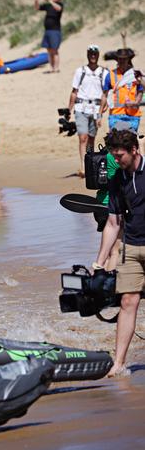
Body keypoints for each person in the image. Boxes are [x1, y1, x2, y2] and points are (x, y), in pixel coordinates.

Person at [94, 129, 145, 377]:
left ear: (134, 150)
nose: (117, 160)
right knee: (127, 301)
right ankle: (119, 363)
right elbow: (113, 223)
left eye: (120, 155)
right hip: (132, 247)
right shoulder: (118, 180)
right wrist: (100, 260)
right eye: (114, 156)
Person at [68, 45, 108, 177]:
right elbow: (74, 92)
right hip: (81, 108)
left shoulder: (103, 72)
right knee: (83, 137)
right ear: (87, 54)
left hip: (96, 109)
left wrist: (101, 113)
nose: (93, 55)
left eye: (95, 53)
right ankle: (84, 166)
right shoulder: (80, 71)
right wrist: (69, 109)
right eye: (90, 53)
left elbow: (105, 94)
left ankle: (90, 162)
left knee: (91, 138)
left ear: (98, 55)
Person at [101, 48, 142, 132]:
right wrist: (100, 111)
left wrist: (136, 102)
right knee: (116, 142)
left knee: (131, 143)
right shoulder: (111, 75)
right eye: (119, 59)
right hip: (116, 115)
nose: (122, 61)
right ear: (117, 60)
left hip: (133, 115)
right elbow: (104, 95)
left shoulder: (135, 74)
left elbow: (140, 91)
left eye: (124, 59)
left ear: (128, 59)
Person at [34, 0, 64, 73]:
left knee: (54, 50)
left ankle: (56, 68)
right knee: (49, 50)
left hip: (55, 30)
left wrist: (49, 1)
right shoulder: (48, 6)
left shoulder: (59, 4)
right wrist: (36, 0)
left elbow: (58, 8)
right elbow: (37, 8)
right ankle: (51, 68)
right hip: (47, 30)